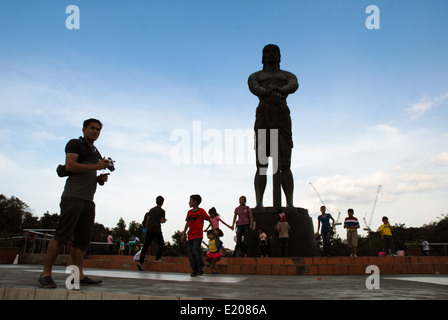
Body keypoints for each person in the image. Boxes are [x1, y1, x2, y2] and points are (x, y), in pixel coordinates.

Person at [38, 118, 111, 288]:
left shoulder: (95, 151)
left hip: (88, 200)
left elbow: (90, 171)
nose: (95, 132)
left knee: (82, 241)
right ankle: (45, 273)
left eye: (98, 130)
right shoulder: (75, 144)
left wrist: (100, 178)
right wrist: (95, 167)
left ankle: (79, 275)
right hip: (73, 197)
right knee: (62, 235)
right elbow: (70, 166)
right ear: (84, 129)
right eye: (92, 128)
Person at [248, 44, 299, 208]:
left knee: (284, 163)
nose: (271, 54)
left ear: (279, 55)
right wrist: (271, 92)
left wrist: (280, 90)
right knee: (262, 163)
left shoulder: (287, 75)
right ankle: (259, 202)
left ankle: (289, 202)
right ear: (262, 56)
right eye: (267, 52)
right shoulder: (256, 75)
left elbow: (294, 84)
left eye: (274, 52)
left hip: (282, 114)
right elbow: (254, 87)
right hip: (264, 114)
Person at [181, 194, 217, 277]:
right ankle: (195, 269)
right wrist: (183, 234)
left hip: (198, 235)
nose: (189, 202)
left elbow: (209, 219)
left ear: (195, 202)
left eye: (190, 200)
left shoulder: (201, 211)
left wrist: (213, 229)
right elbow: (187, 223)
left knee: (195, 249)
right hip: (190, 235)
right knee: (190, 253)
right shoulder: (189, 212)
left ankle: (201, 266)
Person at [138, 196, 167, 271]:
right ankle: (157, 258)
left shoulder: (151, 210)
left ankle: (140, 262)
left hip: (150, 230)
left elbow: (147, 220)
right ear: (162, 202)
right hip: (157, 229)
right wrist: (165, 220)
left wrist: (147, 229)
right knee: (161, 244)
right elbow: (161, 221)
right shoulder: (162, 211)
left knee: (146, 246)